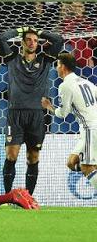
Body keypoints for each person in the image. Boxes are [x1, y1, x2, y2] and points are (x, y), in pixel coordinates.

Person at [0, 27, 64, 195]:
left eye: (35, 40)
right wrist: (21, 30)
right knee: (11, 155)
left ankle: (28, 197)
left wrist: (40, 33)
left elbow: (59, 40)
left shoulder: (45, 59)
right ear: (22, 42)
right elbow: (1, 38)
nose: (32, 43)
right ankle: (7, 195)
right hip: (15, 114)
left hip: (36, 115)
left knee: (32, 157)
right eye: (28, 40)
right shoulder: (12, 58)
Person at [41, 53, 97, 190]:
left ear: (63, 67)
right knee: (72, 163)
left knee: (87, 168)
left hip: (90, 129)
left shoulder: (65, 85)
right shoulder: (86, 82)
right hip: (89, 129)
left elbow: (63, 113)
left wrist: (49, 107)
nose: (56, 68)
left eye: (57, 65)